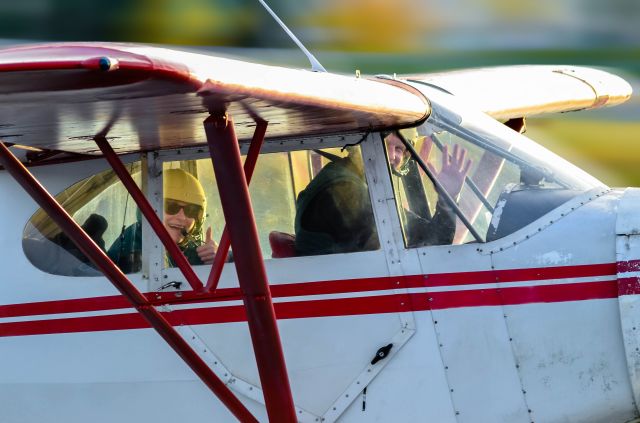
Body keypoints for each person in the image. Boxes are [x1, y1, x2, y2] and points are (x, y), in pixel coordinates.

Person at [294, 128, 471, 256]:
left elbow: (432, 240)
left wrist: (448, 197)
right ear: (361, 146)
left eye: (399, 149)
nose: (392, 155)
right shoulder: (345, 188)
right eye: (384, 145)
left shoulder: (368, 188)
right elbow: (426, 245)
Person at [107, 168, 217, 273]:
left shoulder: (186, 248)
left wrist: (221, 259)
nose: (182, 217)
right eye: (171, 206)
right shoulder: (134, 247)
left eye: (191, 210)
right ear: (150, 208)